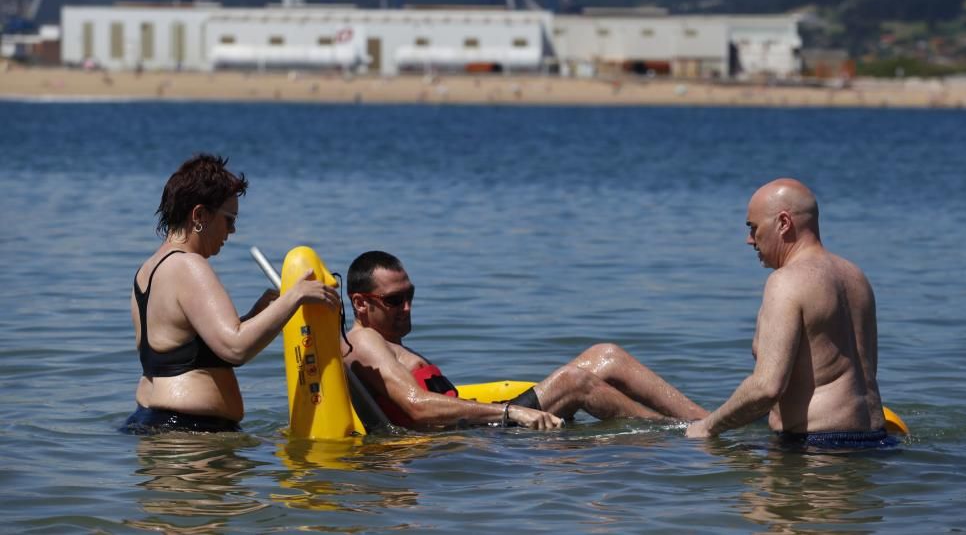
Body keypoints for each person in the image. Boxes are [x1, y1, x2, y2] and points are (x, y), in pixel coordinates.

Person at [342, 250, 707, 430]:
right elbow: (418, 406)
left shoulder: (386, 340)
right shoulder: (365, 343)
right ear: (360, 303)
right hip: (476, 442)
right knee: (575, 381)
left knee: (605, 355)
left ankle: (702, 421)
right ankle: (679, 438)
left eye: (410, 296)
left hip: (480, 429)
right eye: (393, 301)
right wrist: (509, 410)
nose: (407, 307)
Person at [122, 154, 340, 434]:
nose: (233, 230)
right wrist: (294, 296)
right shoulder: (189, 265)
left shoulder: (148, 270)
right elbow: (236, 348)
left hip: (154, 424)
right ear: (199, 216)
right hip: (190, 434)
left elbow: (195, 350)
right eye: (229, 219)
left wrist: (259, 313)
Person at [686, 178, 892, 448]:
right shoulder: (855, 277)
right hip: (876, 440)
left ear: (784, 223)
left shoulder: (786, 282)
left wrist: (708, 427)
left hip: (816, 450)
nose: (749, 240)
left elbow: (766, 387)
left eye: (753, 228)